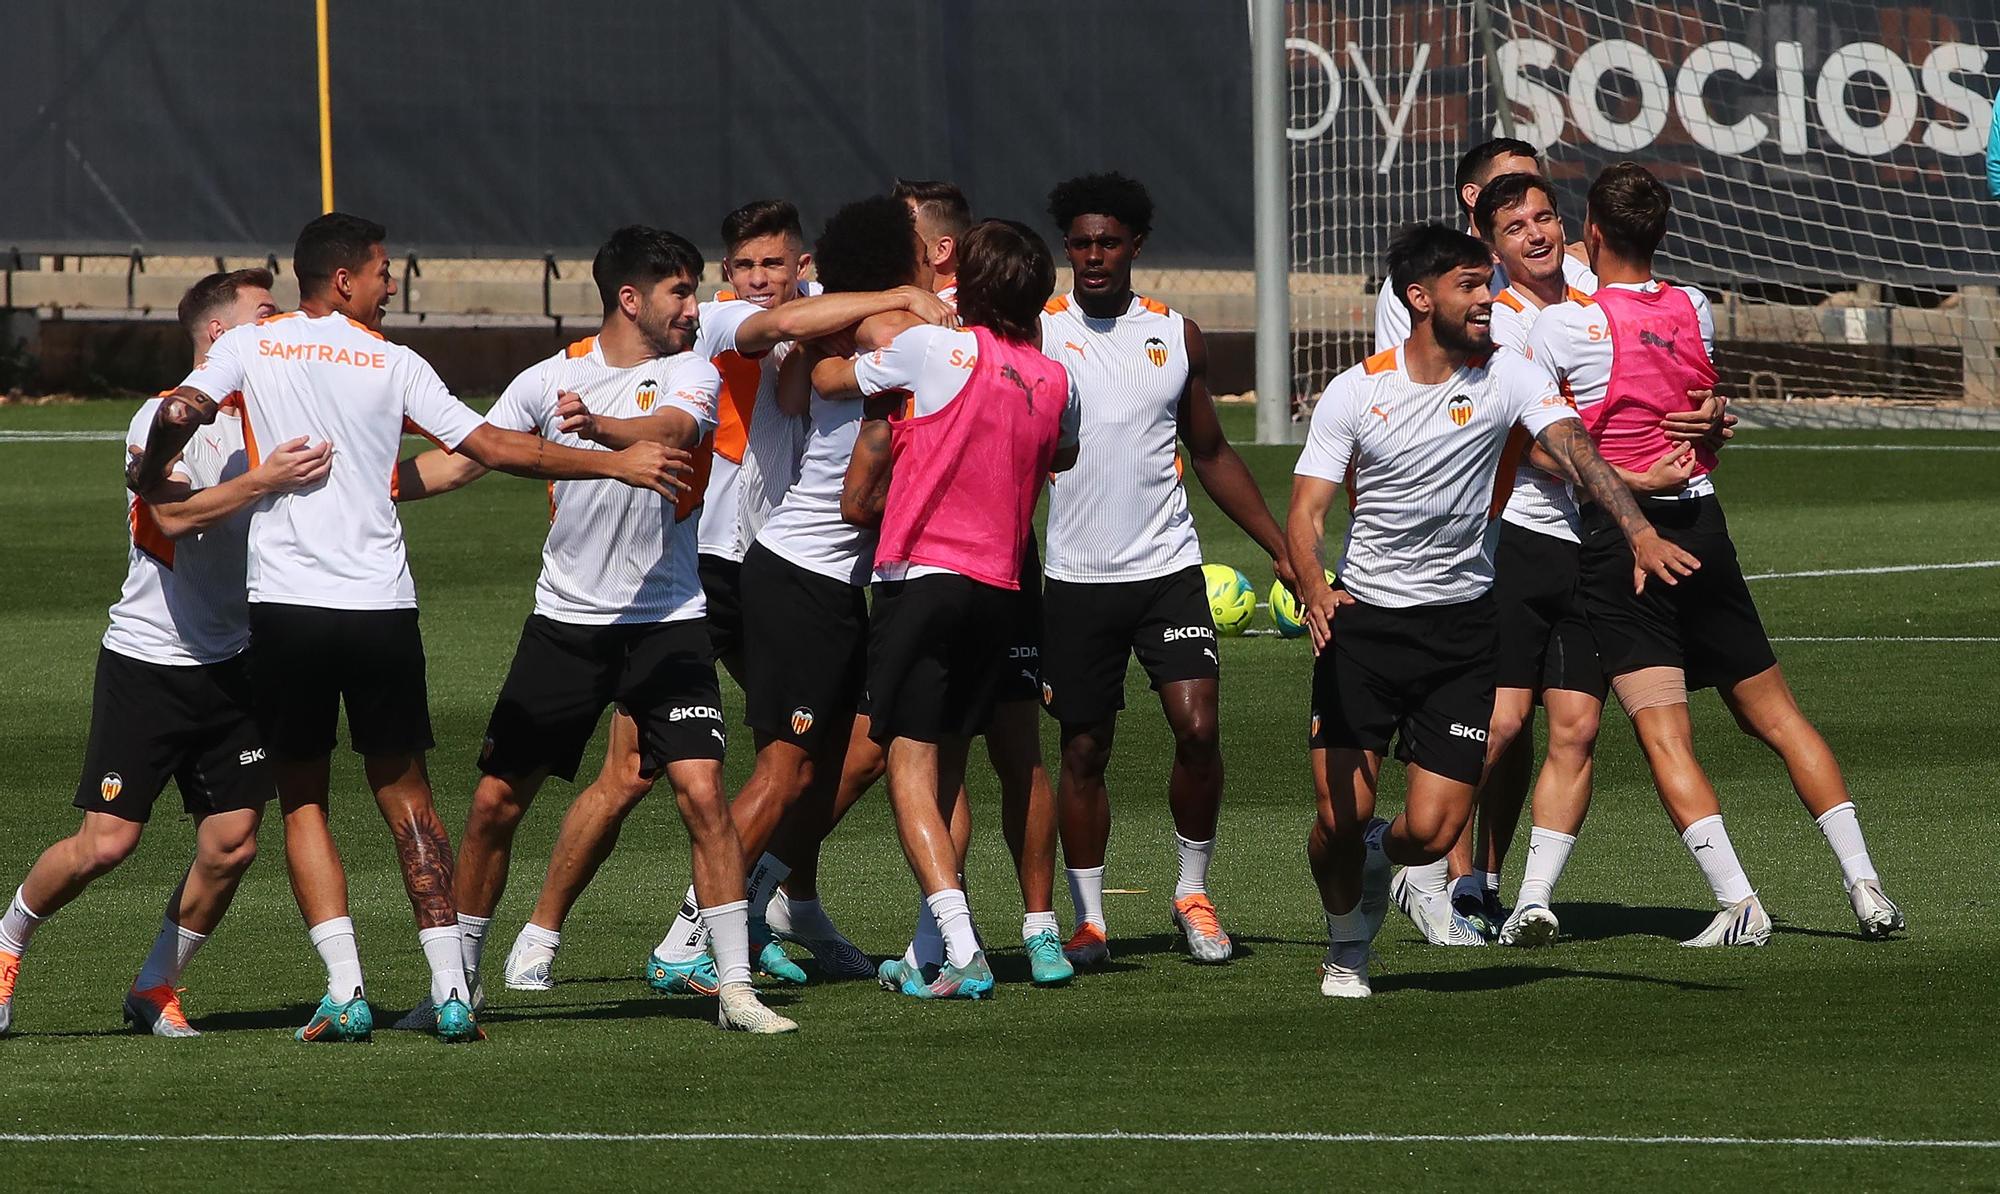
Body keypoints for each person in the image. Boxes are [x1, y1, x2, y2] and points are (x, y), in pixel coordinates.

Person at [131, 212, 690, 1044]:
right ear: (344, 279)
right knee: (411, 801)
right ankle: (450, 989)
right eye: (384, 270)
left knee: (304, 802)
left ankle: (347, 987)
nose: (393, 284)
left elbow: (182, 409)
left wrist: (161, 449)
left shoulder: (254, 345)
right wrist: (616, 461)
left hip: (289, 608)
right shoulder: (394, 361)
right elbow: (497, 447)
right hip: (383, 609)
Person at [482, 202, 943, 992]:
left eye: (774, 263)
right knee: (656, 768)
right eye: (744, 266)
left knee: (832, 749)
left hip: (761, 568)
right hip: (717, 569)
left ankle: (784, 902)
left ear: (803, 264)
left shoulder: (815, 311)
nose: (756, 279)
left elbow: (808, 371)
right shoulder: (721, 323)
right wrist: (901, 299)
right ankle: (562, 932)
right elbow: (785, 331)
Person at [392, 226, 796, 1033]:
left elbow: (676, 436)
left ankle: (736, 990)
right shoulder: (549, 378)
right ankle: (458, 989)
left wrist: (601, 431)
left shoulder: (692, 371)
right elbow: (466, 459)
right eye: (680, 293)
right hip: (566, 624)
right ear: (630, 299)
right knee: (496, 804)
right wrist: (365, 488)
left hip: (669, 622)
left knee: (703, 794)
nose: (696, 307)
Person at [1287, 221, 1699, 998]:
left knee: (1433, 834)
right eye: (1470, 286)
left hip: (1465, 629)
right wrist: (1314, 585)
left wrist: (1639, 531)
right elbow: (1306, 512)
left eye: (1487, 284)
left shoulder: (1509, 374)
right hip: (1364, 625)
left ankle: (1381, 855)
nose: (1487, 299)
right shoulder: (1357, 389)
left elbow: (1576, 447)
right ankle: (1347, 949)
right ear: (1420, 298)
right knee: (1336, 818)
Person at [1523, 162, 1904, 945]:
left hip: (1624, 535)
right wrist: (1713, 421)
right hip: (1704, 524)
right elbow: (1701, 400)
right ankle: (1866, 886)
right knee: (1777, 716)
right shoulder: (1693, 303)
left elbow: (1544, 444)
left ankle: (1741, 905)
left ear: (1590, 234)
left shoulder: (1561, 324)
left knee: (1665, 735)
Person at [0, 271, 324, 1038]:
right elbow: (174, 519)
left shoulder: (273, 413)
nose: (278, 330)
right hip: (148, 661)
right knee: (106, 844)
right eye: (265, 317)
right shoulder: (160, 419)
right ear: (221, 337)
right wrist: (267, 481)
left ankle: (154, 987)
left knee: (234, 841)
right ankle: (8, 941)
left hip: (234, 664)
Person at [642, 196, 953, 994]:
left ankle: (767, 903)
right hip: (801, 575)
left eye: (772, 263)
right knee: (782, 771)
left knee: (850, 756)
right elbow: (852, 492)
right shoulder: (872, 333)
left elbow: (788, 391)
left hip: (825, 579)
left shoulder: (833, 330)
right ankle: (689, 931)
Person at [810, 218, 1081, 998]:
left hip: (921, 578)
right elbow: (1061, 450)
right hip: (1003, 588)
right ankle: (932, 950)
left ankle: (963, 948)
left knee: (909, 763)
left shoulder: (933, 350)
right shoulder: (1056, 380)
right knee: (957, 759)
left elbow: (834, 381)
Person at [1038, 172, 1294, 967]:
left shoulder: (1175, 335)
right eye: (1080, 243)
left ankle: (1192, 891)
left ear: (1136, 245)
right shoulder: (1037, 334)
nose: (1093, 256)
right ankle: (1089, 921)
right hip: (1076, 579)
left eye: (1108, 241)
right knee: (1083, 750)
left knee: (1200, 727)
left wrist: (1284, 549)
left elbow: (1210, 452)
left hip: (1168, 569)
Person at [1373, 138, 1598, 353]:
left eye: (1535, 183)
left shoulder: (1568, 265)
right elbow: (1400, 374)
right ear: (1472, 195)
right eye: (1512, 183)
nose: (1528, 192)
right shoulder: (1420, 276)